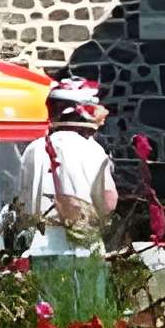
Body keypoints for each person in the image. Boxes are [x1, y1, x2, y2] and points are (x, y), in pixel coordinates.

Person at [16, 79, 120, 258]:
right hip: (84, 245)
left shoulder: (33, 149)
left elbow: (23, 204)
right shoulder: (92, 149)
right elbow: (109, 200)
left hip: (41, 243)